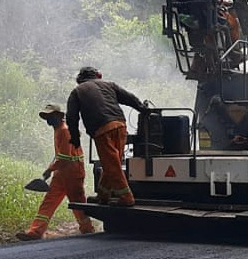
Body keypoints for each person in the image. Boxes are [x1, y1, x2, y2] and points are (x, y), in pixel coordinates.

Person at [66, 67, 149, 207]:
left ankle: (126, 197)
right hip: (120, 125)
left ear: (79, 80)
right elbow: (130, 98)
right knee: (112, 163)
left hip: (102, 129)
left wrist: (75, 138)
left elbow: (71, 118)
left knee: (112, 164)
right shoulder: (109, 85)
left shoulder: (77, 92)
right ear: (98, 76)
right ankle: (103, 195)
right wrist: (143, 109)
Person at [16, 104, 94, 241]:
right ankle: (35, 232)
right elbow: (61, 156)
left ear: (58, 116)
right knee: (49, 202)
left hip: (73, 173)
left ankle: (88, 230)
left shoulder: (64, 131)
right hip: (62, 173)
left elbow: (65, 157)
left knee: (78, 204)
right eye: (47, 117)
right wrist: (52, 169)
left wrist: (49, 169)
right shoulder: (59, 129)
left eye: (50, 116)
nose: (48, 120)